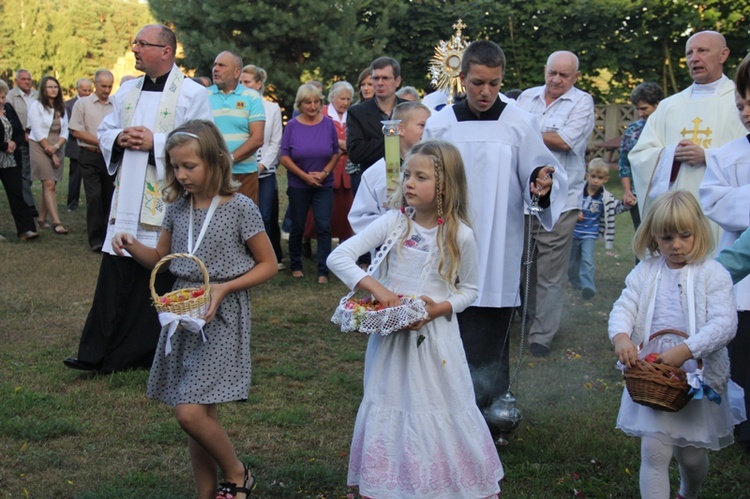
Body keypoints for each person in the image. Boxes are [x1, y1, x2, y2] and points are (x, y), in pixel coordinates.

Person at [327, 140, 504, 498]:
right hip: (392, 342)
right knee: (390, 400)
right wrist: (378, 290)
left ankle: (441, 483)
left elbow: (469, 290)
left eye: (420, 177)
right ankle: (389, 483)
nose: (408, 183)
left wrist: (436, 309)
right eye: (407, 174)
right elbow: (339, 257)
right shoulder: (394, 222)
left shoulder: (459, 235)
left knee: (435, 404)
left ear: (444, 186)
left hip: (435, 342)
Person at [112, 120, 277, 499]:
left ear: (216, 161)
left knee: (188, 412)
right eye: (175, 167)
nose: (181, 175)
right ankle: (206, 494)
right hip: (184, 317)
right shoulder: (177, 208)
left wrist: (224, 288)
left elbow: (268, 264)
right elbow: (162, 260)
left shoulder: (240, 208)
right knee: (201, 417)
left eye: (190, 166)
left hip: (221, 315)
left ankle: (238, 474)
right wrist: (131, 243)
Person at [423, 40, 565, 415]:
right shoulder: (441, 123)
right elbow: (422, 177)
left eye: (494, 83)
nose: (486, 92)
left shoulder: (519, 123)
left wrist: (542, 181)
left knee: (491, 321)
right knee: (450, 320)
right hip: (451, 236)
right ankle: (446, 408)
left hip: (500, 239)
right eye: (477, 83)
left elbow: (541, 170)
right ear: (462, 78)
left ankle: (491, 405)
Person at [63, 24, 213, 373]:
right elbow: (105, 130)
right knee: (116, 270)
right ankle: (97, 352)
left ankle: (144, 353)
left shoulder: (192, 93)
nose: (135, 49)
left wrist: (157, 144)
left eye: (142, 44)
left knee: (158, 272)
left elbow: (203, 141)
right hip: (128, 196)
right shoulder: (127, 90)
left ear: (165, 51)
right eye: (135, 43)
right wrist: (119, 138)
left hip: (166, 196)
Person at [608, 190, 744, 499]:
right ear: (653, 237)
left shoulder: (713, 274)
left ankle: (689, 491)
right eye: (667, 238)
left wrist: (686, 351)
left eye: (685, 236)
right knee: (654, 453)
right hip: (653, 374)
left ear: (699, 232)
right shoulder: (646, 271)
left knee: (691, 456)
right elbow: (624, 307)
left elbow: (724, 324)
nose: (677, 245)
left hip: (693, 376)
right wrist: (621, 336)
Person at [517, 50, 596, 357]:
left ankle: (541, 335)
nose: (556, 79)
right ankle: (526, 318)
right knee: (524, 265)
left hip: (562, 201)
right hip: (524, 197)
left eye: (564, 75)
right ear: (545, 71)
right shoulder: (527, 97)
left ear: (575, 77)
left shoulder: (582, 102)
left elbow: (565, 141)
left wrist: (527, 129)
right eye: (552, 72)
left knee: (550, 270)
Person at [629, 31, 745, 225]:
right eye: (689, 53)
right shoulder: (668, 106)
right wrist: (670, 154)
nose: (694, 58)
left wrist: (707, 156)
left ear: (723, 55)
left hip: (723, 211)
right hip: (676, 208)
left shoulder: (740, 102)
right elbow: (640, 155)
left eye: (702, 51)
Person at [699, 50, 750, 451]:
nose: (746, 111)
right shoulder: (728, 155)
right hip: (741, 283)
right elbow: (716, 204)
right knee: (744, 362)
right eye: (740, 104)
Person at [280, 83, 339, 283]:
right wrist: (304, 176)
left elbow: (335, 153)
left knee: (324, 226)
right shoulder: (292, 126)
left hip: (324, 183)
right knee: (297, 226)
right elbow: (285, 157)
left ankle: (324, 269)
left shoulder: (328, 124)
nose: (313, 107)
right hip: (299, 184)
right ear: (300, 105)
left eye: (316, 102)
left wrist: (323, 173)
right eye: (308, 103)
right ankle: (296, 264)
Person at [348, 100, 431, 233]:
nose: (428, 129)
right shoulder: (376, 173)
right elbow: (360, 218)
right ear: (400, 129)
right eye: (422, 125)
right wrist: (390, 223)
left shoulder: (435, 168)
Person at [240, 65, 284, 269]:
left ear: (259, 84)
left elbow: (275, 142)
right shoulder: (237, 105)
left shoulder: (272, 108)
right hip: (239, 169)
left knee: (264, 215)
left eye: (247, 82)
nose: (243, 86)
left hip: (263, 171)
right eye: (240, 82)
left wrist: (262, 165)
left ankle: (266, 259)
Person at [568, 158, 630, 300]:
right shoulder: (577, 192)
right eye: (593, 176)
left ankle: (588, 286)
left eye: (600, 178)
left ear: (606, 180)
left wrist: (627, 204)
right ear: (587, 175)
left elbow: (616, 208)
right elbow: (567, 205)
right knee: (571, 262)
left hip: (589, 235)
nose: (596, 180)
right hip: (573, 233)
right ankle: (574, 280)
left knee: (587, 260)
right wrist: (575, 212)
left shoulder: (605, 198)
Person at [208, 51, 265, 205]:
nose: (215, 69)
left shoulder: (252, 97)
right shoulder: (202, 96)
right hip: (212, 174)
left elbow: (257, 138)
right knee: (213, 224)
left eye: (221, 65)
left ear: (236, 72)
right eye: (215, 65)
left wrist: (229, 159)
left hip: (245, 175)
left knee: (245, 225)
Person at [68, 70, 115, 251]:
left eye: (110, 86)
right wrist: (101, 141)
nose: (106, 90)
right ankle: (95, 238)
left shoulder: (115, 104)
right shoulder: (83, 104)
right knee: (94, 196)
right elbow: (76, 131)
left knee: (108, 196)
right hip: (89, 154)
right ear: (95, 84)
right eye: (103, 86)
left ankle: (107, 235)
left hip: (109, 156)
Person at [346, 57, 407, 195]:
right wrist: (396, 141)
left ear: (397, 81)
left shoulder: (410, 110)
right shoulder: (357, 113)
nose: (380, 83)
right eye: (376, 78)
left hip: (406, 180)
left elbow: (417, 145)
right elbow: (356, 152)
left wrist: (373, 144)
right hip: (372, 183)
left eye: (385, 78)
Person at [304, 81, 355, 242]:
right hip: (324, 168)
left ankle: (344, 242)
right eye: (342, 99)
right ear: (332, 98)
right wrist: (341, 144)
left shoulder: (353, 115)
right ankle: (308, 238)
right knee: (320, 211)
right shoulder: (322, 114)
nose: (345, 103)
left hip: (348, 170)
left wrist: (339, 144)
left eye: (348, 99)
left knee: (345, 209)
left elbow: (356, 143)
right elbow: (319, 139)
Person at [619, 82, 663, 232]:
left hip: (664, 193)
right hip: (638, 196)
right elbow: (624, 163)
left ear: (657, 105)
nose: (640, 113)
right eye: (637, 109)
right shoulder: (633, 130)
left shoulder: (669, 127)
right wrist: (627, 191)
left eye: (644, 108)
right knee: (642, 236)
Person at [28, 76, 69, 234]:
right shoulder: (36, 106)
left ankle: (41, 218)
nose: (53, 90)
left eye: (55, 87)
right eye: (50, 87)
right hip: (40, 146)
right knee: (49, 184)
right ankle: (57, 222)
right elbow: (37, 131)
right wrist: (50, 152)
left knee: (50, 185)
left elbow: (65, 131)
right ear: (43, 90)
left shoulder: (61, 107)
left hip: (57, 145)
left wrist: (57, 147)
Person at [0, 78, 38, 241]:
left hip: (10, 161)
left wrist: (14, 143)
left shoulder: (8, 109)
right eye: (0, 97)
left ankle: (26, 229)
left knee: (17, 193)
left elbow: (19, 131)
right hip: (3, 151)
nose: (3, 100)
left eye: (4, 96)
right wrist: (4, 145)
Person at [6, 69, 38, 216]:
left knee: (32, 173)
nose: (27, 82)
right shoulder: (10, 97)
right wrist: (21, 135)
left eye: (29, 79)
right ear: (16, 81)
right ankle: (30, 206)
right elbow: (9, 119)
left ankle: (26, 199)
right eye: (23, 79)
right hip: (21, 140)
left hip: (38, 139)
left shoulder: (37, 96)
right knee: (24, 173)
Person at [65, 78, 93, 212]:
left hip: (93, 148)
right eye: (84, 90)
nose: (87, 93)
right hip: (76, 147)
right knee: (75, 177)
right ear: (78, 89)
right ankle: (72, 204)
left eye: (89, 90)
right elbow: (70, 127)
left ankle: (91, 204)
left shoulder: (95, 104)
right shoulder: (68, 105)